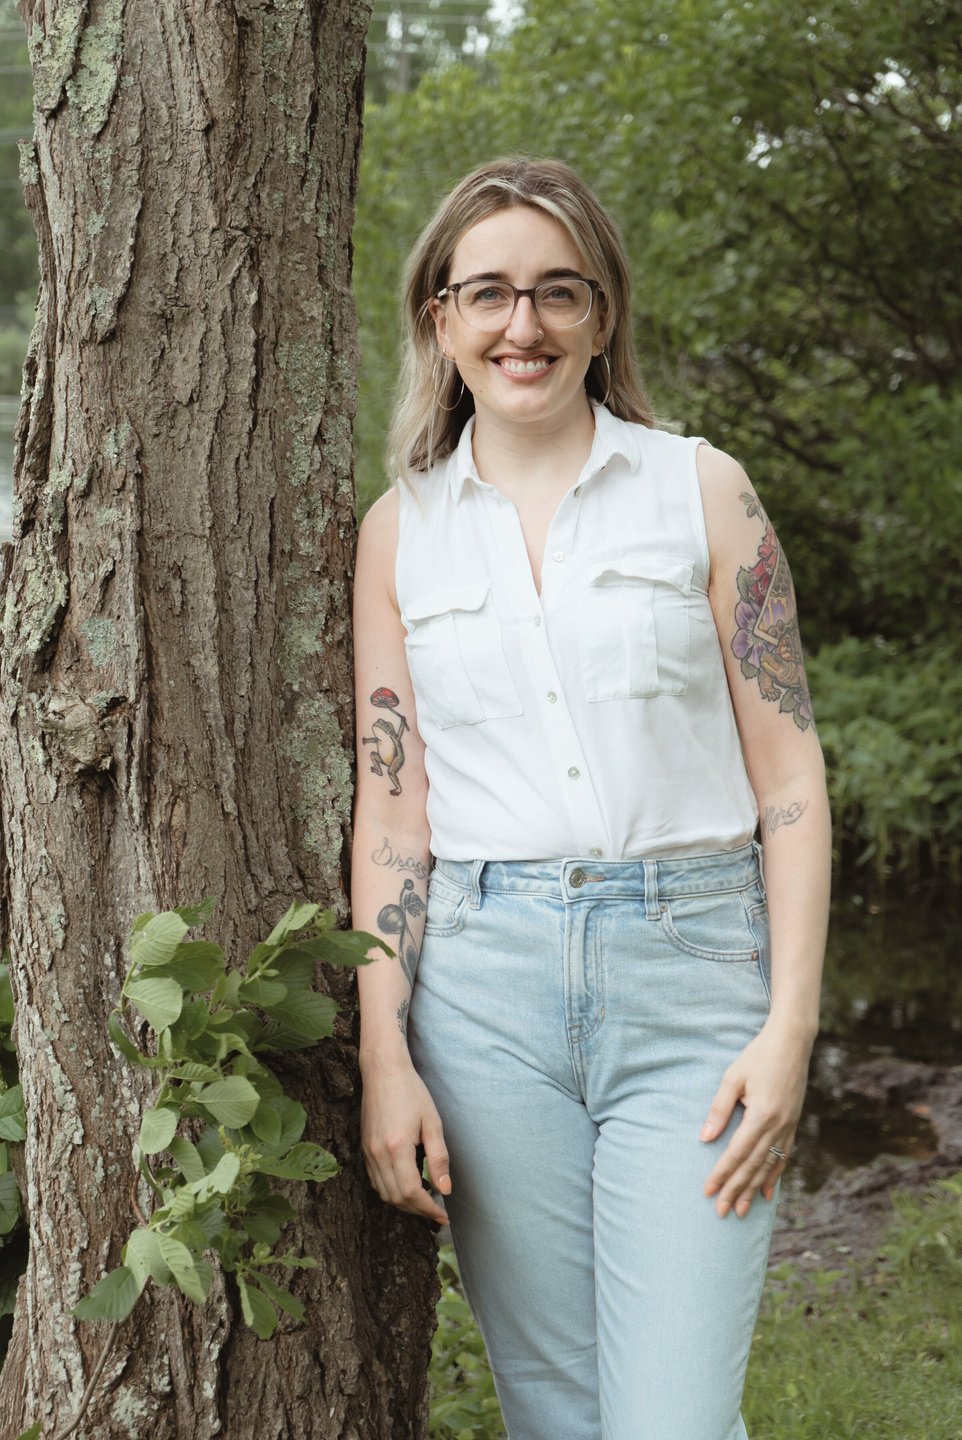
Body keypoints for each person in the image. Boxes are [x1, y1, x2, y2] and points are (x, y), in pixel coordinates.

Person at [351, 156, 830, 1440]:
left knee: (670, 1422)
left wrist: (789, 1027)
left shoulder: (701, 488)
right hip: (484, 995)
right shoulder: (397, 533)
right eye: (489, 294)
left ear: (601, 315)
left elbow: (787, 775)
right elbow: (393, 812)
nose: (525, 327)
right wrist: (382, 1048)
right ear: (439, 320)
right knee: (559, 1417)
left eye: (558, 293)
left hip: (690, 977)